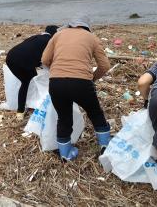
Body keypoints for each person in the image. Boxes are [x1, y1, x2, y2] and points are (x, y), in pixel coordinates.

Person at [41, 16, 111, 161]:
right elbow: (105, 66)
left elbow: (44, 60)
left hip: (56, 83)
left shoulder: (58, 35)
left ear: (70, 26)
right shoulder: (92, 38)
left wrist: (56, 72)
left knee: (64, 118)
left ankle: (65, 154)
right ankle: (105, 147)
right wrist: (93, 78)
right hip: (82, 83)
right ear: (86, 27)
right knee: (95, 113)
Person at [6, 25, 58, 120]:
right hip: (23, 61)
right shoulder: (50, 41)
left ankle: (20, 111)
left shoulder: (35, 37)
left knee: (27, 80)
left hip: (10, 57)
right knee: (27, 80)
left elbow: (33, 52)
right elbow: (46, 61)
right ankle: (25, 108)